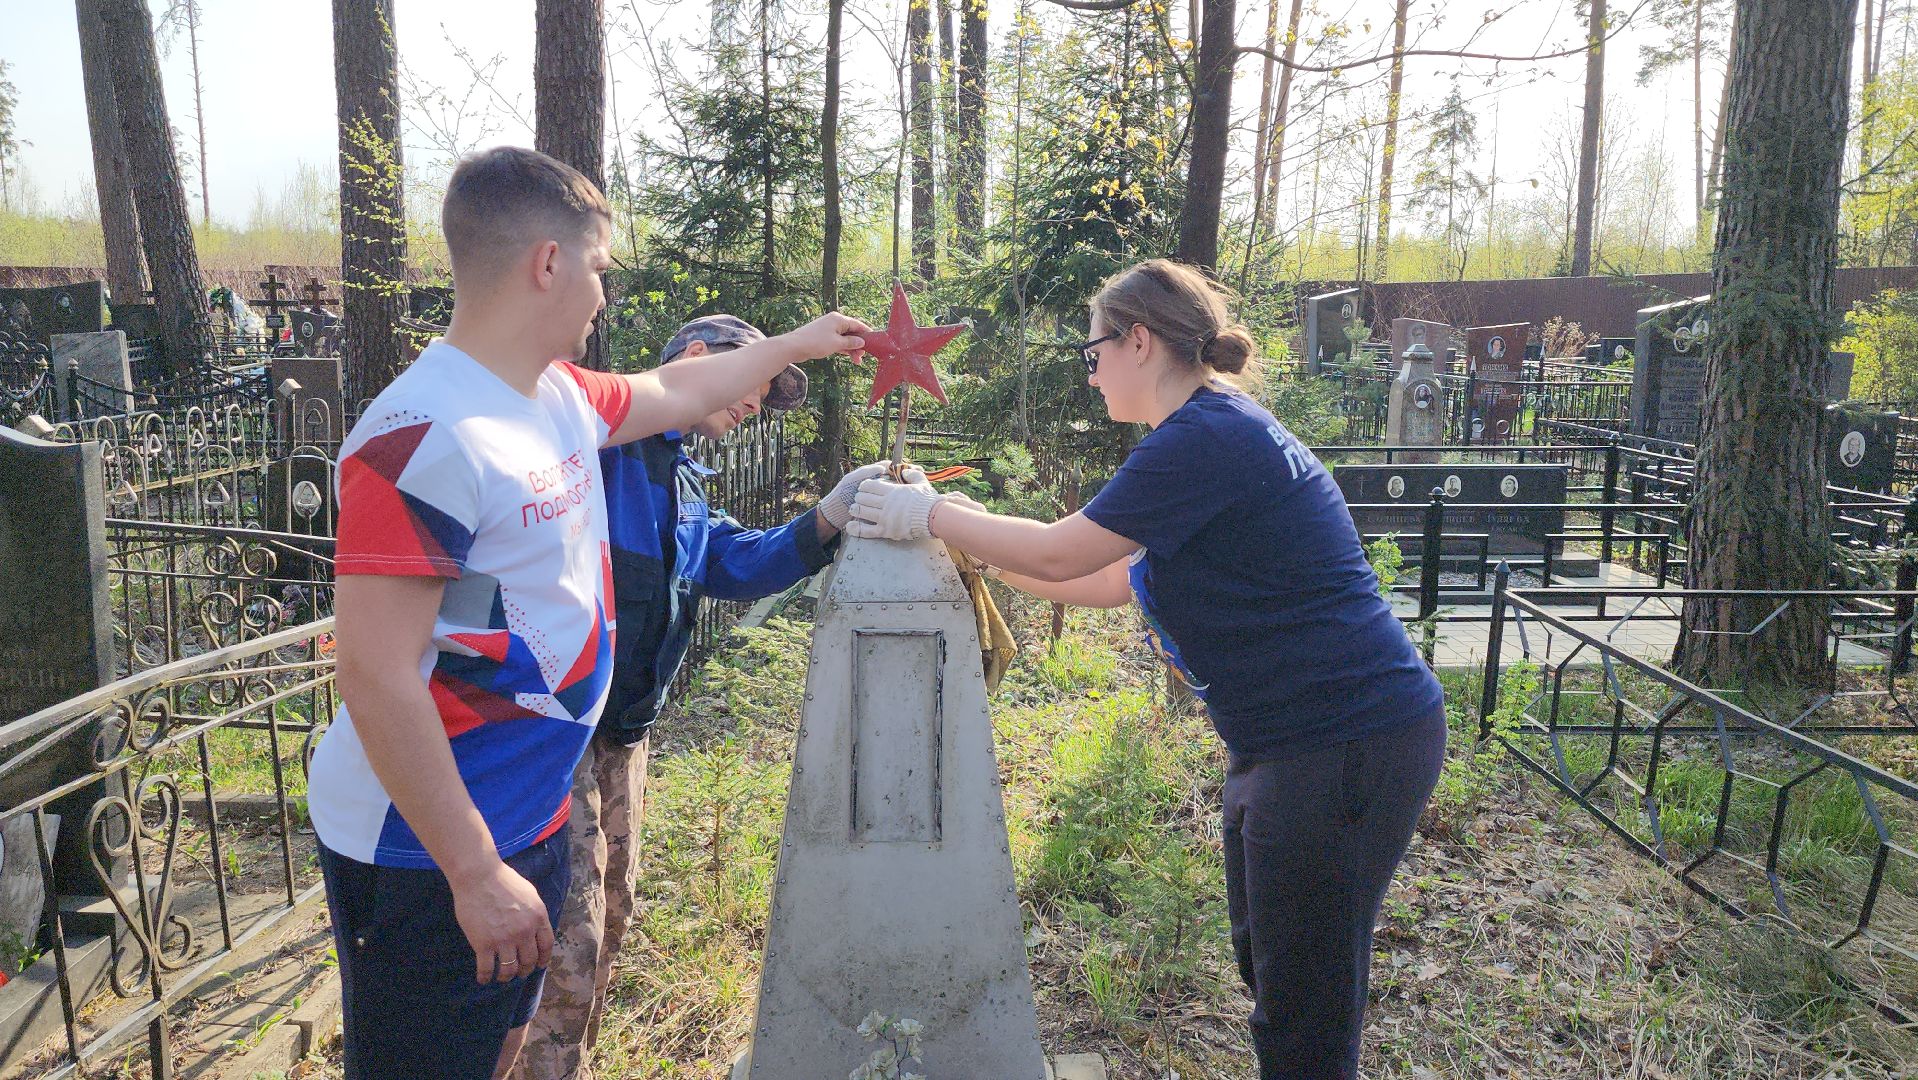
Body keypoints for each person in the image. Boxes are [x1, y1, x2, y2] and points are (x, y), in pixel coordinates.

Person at [308, 145, 868, 1080]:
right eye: (600, 270)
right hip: (426, 851)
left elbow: (678, 391)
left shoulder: (559, 397)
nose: (604, 298)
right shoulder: (420, 437)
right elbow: (373, 675)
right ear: (548, 264)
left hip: (525, 816)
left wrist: (796, 345)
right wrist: (476, 872)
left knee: (500, 1046)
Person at [847, 258, 1446, 1079]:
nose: (1090, 378)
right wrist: (966, 538)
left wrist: (936, 513)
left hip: (1341, 743)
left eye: (1092, 355)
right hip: (1294, 743)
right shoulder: (1213, 430)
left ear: (1138, 340)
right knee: (1276, 971)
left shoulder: (1208, 437)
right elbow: (1099, 577)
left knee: (1305, 1006)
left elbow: (1063, 552)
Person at [512, 314, 896, 1078]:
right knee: (566, 935)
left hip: (625, 735)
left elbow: (735, 562)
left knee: (611, 913)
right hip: (559, 736)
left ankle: (566, 1065)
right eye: (757, 382)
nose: (758, 404)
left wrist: (830, 515)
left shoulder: (681, 477)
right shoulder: (601, 444)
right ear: (696, 360)